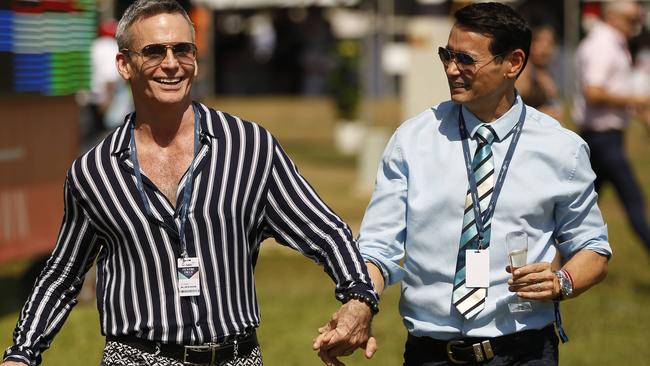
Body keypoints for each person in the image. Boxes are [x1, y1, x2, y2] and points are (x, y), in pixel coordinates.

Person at [1, 1, 378, 365]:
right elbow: (63, 275)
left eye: (182, 50)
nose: (171, 64)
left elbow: (323, 230)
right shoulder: (94, 172)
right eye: (153, 51)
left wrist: (359, 296)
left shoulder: (249, 147)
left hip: (236, 357)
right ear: (124, 64)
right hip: (137, 358)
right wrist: (22, 353)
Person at [315, 3, 611, 365]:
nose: (452, 69)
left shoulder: (561, 149)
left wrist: (562, 281)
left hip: (524, 352)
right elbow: (378, 248)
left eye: (466, 60)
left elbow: (593, 248)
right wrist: (359, 304)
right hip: (430, 355)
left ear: (513, 63)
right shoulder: (413, 141)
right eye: (447, 55)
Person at [573, 0, 650, 255]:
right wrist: (635, 100)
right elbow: (594, 92)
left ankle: (558, 263)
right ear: (614, 17)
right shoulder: (603, 45)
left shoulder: (612, 43)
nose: (637, 25)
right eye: (632, 19)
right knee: (634, 202)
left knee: (577, 211)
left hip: (606, 138)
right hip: (601, 138)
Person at [516, 23, 562, 121]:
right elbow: (510, 113)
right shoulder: (523, 74)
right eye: (541, 43)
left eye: (550, 43)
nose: (545, 49)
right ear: (531, 45)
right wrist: (542, 114)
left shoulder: (547, 72)